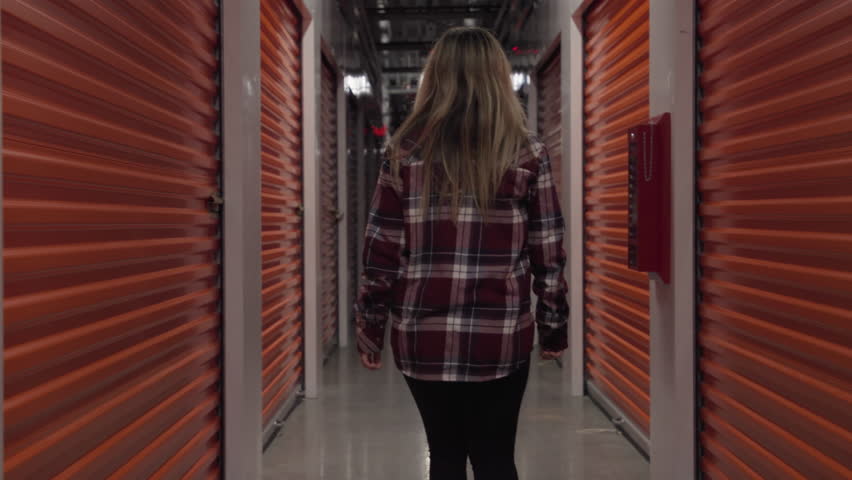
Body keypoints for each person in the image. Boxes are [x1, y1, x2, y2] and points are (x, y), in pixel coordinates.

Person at [354, 26, 569, 480]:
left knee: (446, 458)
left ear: (435, 80)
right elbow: (547, 251)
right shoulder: (526, 152)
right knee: (495, 459)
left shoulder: (403, 154)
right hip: (501, 338)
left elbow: (380, 253)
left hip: (423, 338)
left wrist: (370, 327)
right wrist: (553, 328)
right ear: (497, 78)